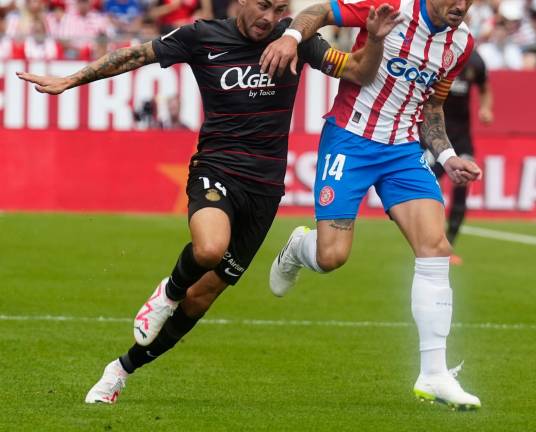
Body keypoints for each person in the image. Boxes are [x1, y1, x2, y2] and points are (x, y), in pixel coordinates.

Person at [17, 0, 401, 404]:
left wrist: (374, 40)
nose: (269, 18)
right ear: (241, 3)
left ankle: (121, 369)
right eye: (263, 7)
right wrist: (70, 80)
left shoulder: (297, 40)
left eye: (279, 9)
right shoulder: (202, 36)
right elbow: (135, 55)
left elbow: (358, 70)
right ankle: (167, 292)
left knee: (201, 298)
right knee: (209, 248)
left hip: (265, 190)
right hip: (216, 168)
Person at [260, 0, 484, 410]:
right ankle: (297, 248)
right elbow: (318, 13)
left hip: (402, 151)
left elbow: (432, 107)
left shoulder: (462, 43)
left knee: (435, 247)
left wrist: (448, 157)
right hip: (350, 138)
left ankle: (434, 374)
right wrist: (292, 36)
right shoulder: (390, 7)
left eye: (469, 0)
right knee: (331, 257)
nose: (461, 6)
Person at [429, 48, 492, 266]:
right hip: (435, 134)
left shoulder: (475, 61)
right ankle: (428, 239)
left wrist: (485, 109)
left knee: (462, 187)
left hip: (462, 137)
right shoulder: (437, 52)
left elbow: (485, 88)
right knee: (426, 185)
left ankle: (448, 247)